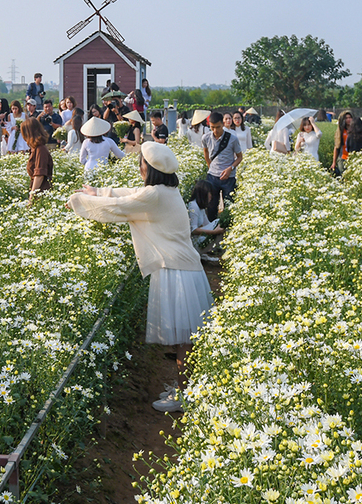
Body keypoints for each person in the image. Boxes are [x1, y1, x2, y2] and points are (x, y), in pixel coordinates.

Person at [66, 143, 214, 413]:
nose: (140, 167)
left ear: (150, 168)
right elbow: (132, 194)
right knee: (186, 340)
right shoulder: (165, 191)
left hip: (177, 272)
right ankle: (186, 388)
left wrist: (79, 202)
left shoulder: (155, 195)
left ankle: (184, 395)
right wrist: (97, 192)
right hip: (183, 269)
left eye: (142, 163)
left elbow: (122, 206)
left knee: (185, 341)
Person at [202, 112, 243, 205]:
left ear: (223, 124)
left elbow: (239, 157)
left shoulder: (233, 139)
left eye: (218, 127)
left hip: (229, 177)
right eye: (212, 127)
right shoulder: (206, 138)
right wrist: (210, 167)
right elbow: (206, 152)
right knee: (211, 206)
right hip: (212, 177)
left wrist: (230, 168)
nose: (215, 130)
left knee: (229, 206)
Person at [187, 179, 224, 263]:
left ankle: (205, 253)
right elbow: (193, 230)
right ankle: (199, 253)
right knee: (219, 222)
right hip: (193, 244)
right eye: (210, 193)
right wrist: (215, 232)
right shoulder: (193, 207)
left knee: (220, 223)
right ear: (203, 193)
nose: (211, 196)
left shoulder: (200, 207)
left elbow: (207, 224)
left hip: (199, 241)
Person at [22, 118, 53, 205]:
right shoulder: (35, 149)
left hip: (41, 193)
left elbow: (39, 175)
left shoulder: (40, 149)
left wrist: (31, 198)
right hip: (38, 192)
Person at [332, 111, 355, 175]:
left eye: (350, 117)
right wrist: (334, 162)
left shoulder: (355, 130)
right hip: (342, 157)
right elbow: (336, 146)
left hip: (353, 158)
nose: (348, 120)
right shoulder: (341, 131)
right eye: (346, 118)